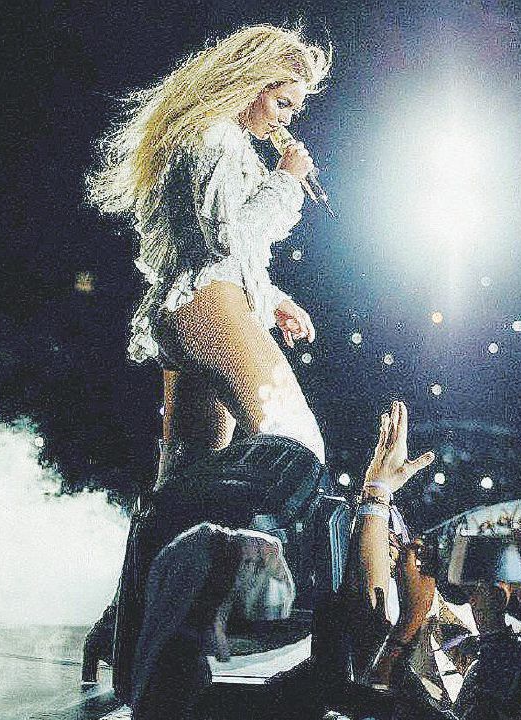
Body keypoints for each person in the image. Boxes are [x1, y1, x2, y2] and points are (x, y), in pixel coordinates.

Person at [88, 24, 331, 486]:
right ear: (250, 81)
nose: (284, 121)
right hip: (208, 305)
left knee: (185, 481)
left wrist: (273, 299)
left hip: (194, 306)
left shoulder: (217, 138)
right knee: (294, 444)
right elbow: (227, 236)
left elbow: (212, 245)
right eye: (282, 103)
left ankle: (165, 558)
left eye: (293, 110)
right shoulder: (215, 136)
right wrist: (285, 180)